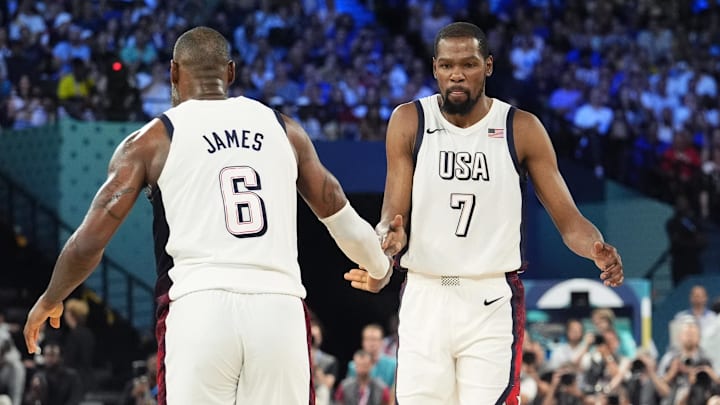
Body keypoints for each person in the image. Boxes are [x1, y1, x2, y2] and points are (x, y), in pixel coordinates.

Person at [23, 26, 391, 404]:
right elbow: (333, 203)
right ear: (230, 73)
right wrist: (379, 266)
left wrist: (52, 297)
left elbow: (89, 242)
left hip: (200, 309)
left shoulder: (152, 139)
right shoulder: (283, 128)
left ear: (173, 73)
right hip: (278, 310)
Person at [344, 22, 624, 405]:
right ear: (434, 69)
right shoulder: (410, 120)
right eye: (446, 65)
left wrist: (595, 247)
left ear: (488, 66)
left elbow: (569, 219)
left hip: (490, 298)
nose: (456, 73)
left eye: (469, 64)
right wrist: (387, 246)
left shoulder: (521, 128)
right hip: (425, 293)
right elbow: (394, 216)